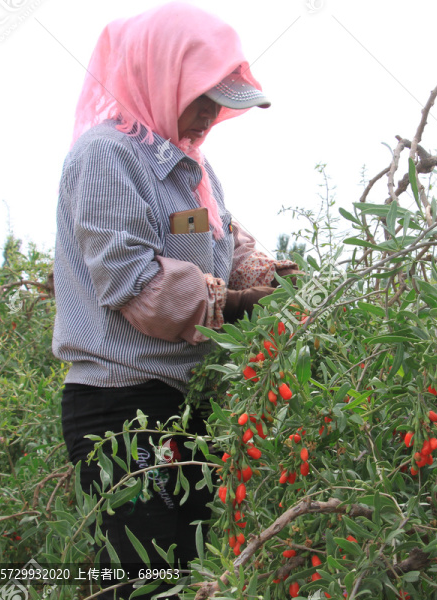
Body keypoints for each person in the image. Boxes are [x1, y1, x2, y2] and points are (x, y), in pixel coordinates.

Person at [52, 4, 298, 597]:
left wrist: (269, 273)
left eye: (222, 98)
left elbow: (223, 239)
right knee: (147, 573)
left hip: (183, 401)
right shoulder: (106, 157)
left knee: (184, 565)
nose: (214, 112)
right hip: (121, 407)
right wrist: (236, 307)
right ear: (162, 75)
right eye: (205, 95)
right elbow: (133, 283)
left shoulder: (192, 168)